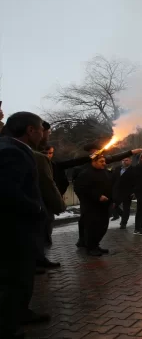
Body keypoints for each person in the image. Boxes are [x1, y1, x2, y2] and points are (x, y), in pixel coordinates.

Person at [0, 112, 50, 338]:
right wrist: (37, 208)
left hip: (19, 229)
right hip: (14, 231)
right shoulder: (11, 152)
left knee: (23, 276)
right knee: (14, 279)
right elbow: (8, 193)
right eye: (41, 129)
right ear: (30, 131)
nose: (43, 134)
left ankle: (21, 312)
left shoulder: (14, 148)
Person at [73, 143, 142, 248]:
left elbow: (114, 158)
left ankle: (93, 244)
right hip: (88, 201)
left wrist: (131, 152)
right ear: (91, 152)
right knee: (86, 221)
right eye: (96, 150)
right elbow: (80, 186)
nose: (103, 161)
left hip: (102, 201)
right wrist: (91, 197)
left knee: (99, 223)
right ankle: (84, 242)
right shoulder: (83, 167)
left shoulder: (101, 163)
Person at [33, 121, 66, 265]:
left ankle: (41, 258)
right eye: (46, 131)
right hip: (37, 204)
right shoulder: (36, 158)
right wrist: (59, 204)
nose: (48, 134)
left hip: (47, 206)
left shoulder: (53, 164)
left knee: (46, 232)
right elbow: (47, 183)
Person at [73, 155, 114, 257]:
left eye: (104, 161)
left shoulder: (104, 172)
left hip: (104, 206)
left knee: (103, 227)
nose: (104, 163)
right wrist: (97, 196)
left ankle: (96, 245)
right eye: (101, 161)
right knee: (92, 228)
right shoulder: (85, 174)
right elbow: (80, 188)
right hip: (91, 206)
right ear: (93, 162)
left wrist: (113, 200)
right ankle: (90, 248)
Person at [111, 157, 134, 228]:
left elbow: (136, 181)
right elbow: (113, 179)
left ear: (130, 161)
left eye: (126, 160)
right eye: (123, 160)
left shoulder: (134, 169)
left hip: (128, 192)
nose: (124, 162)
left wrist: (134, 191)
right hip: (117, 191)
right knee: (113, 206)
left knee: (126, 207)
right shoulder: (117, 169)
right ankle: (123, 215)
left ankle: (123, 223)